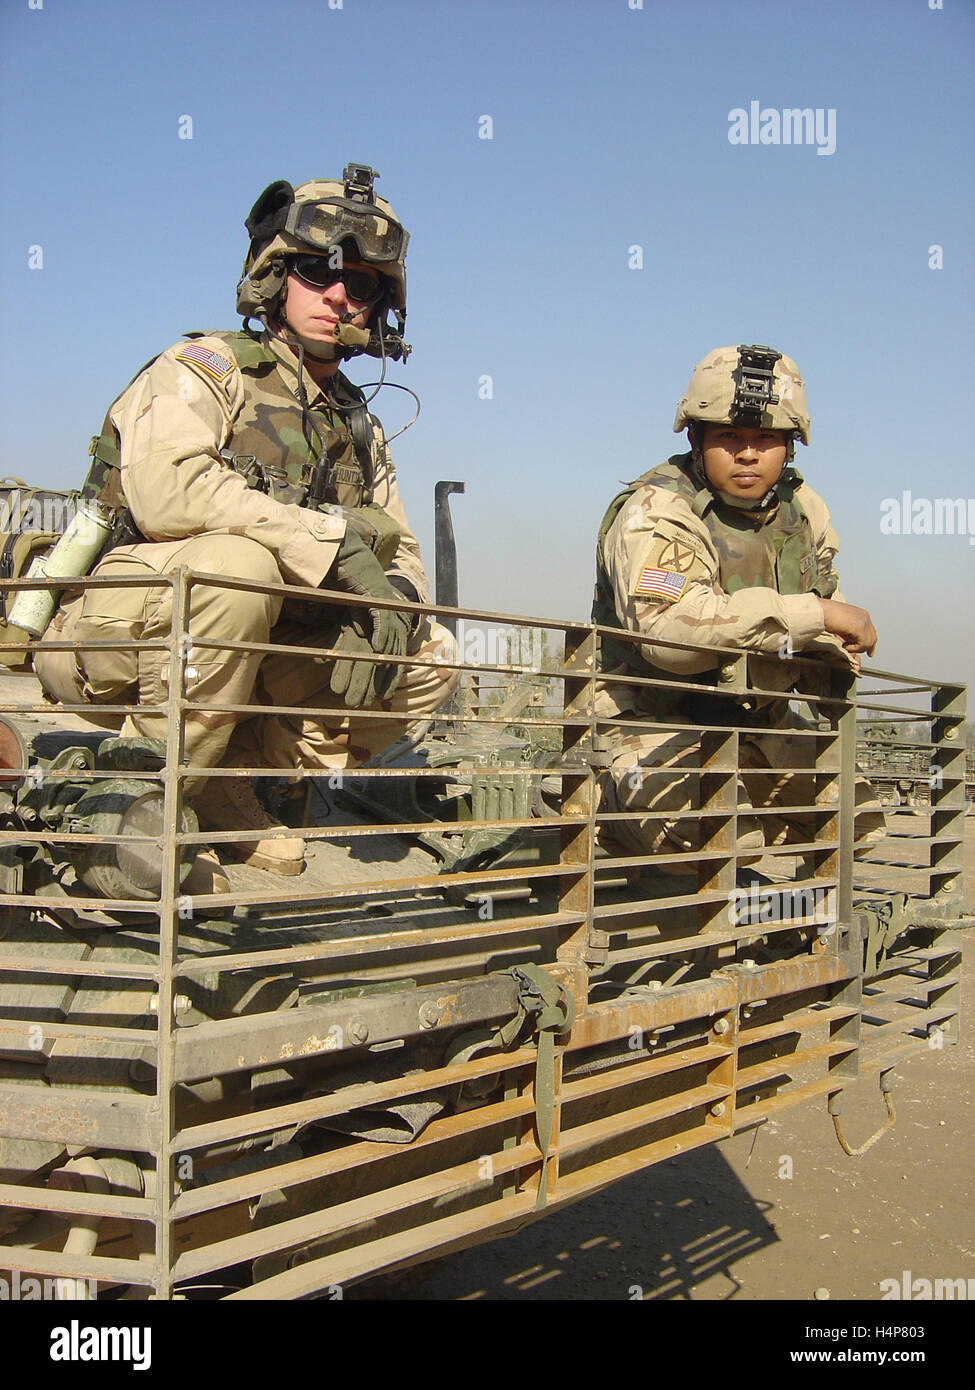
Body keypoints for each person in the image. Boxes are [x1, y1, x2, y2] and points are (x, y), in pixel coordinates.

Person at [34, 164, 458, 881]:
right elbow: (168, 491)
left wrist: (394, 602)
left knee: (429, 653)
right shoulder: (204, 368)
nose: (336, 295)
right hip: (117, 637)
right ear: (271, 278)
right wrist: (328, 545)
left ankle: (237, 780)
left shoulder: (360, 425)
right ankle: (138, 810)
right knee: (237, 566)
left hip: (249, 647)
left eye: (360, 285)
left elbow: (404, 552)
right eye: (314, 273)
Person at [592, 343, 884, 879]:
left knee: (856, 822)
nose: (748, 454)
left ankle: (802, 917)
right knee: (726, 835)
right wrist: (816, 617)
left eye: (766, 439)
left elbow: (827, 608)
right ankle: (607, 807)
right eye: (729, 437)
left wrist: (830, 644)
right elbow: (668, 633)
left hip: (755, 718)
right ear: (694, 438)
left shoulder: (803, 510)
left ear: (789, 447)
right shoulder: (659, 508)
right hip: (651, 718)